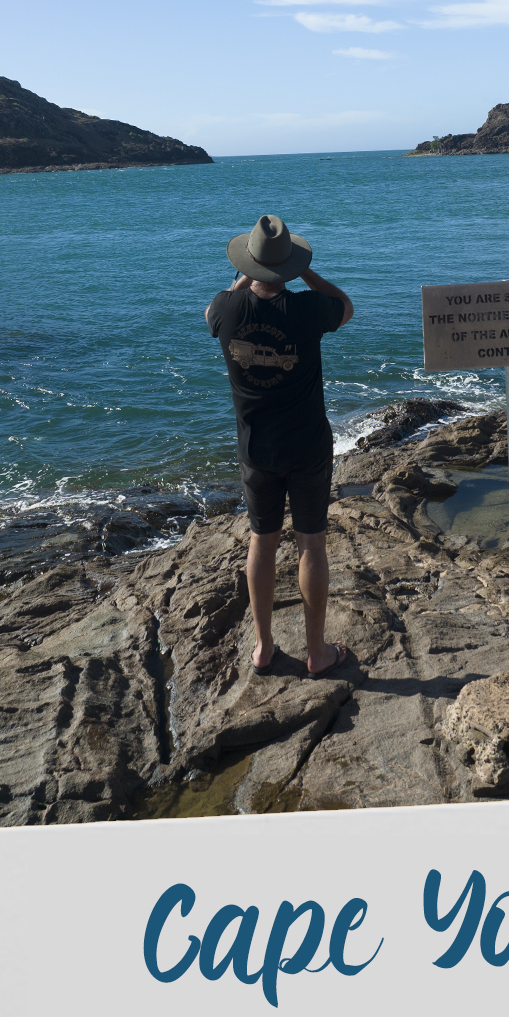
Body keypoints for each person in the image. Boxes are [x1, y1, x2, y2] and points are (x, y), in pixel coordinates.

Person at [204, 213, 354, 676]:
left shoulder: (226, 311)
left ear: (249, 262)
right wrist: (301, 270)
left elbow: (219, 304)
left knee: (261, 543)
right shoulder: (310, 310)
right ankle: (316, 653)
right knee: (311, 543)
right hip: (308, 445)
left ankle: (264, 648)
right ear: (288, 267)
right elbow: (345, 306)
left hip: (256, 449)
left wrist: (255, 268)